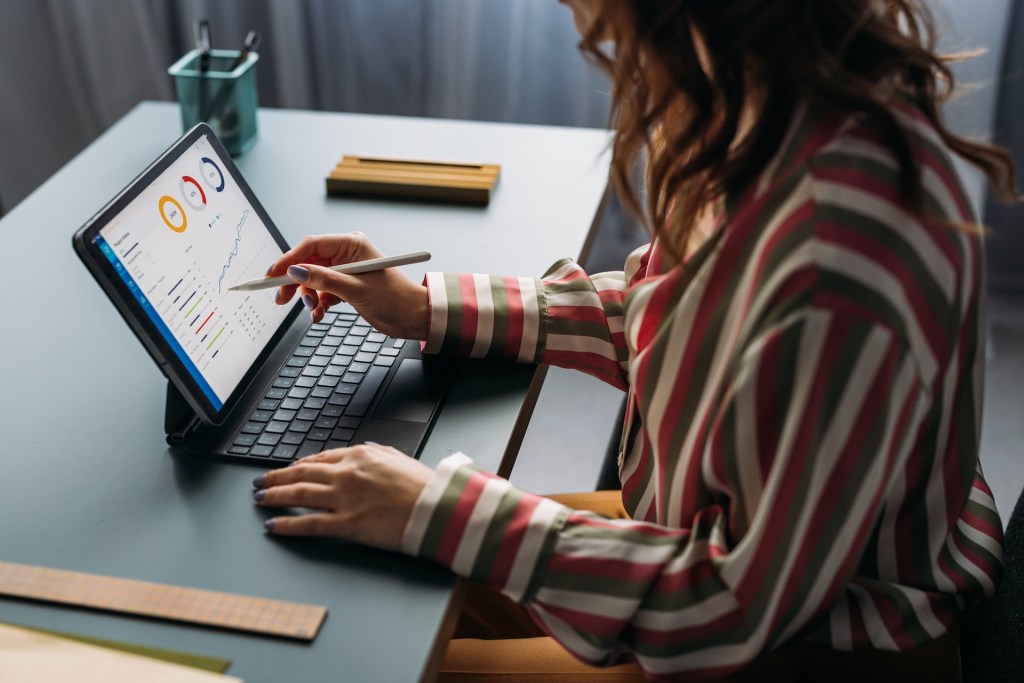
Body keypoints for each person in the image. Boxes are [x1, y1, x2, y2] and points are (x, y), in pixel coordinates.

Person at [251, 0, 1016, 679]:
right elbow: (662, 314)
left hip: (812, 642)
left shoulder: (833, 259)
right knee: (373, 582)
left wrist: (442, 512)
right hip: (720, 556)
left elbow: (731, 604)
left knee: (382, 657)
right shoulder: (762, 105)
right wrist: (425, 305)